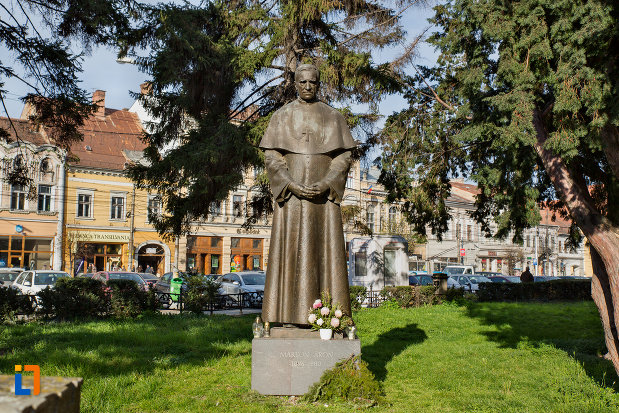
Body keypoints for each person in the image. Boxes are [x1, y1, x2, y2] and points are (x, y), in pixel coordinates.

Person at [259, 63, 355, 325]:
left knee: (326, 252)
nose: (308, 86)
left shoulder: (334, 117)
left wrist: (327, 183)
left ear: (319, 84)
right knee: (289, 253)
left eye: (313, 82)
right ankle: (285, 318)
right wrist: (288, 182)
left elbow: (343, 157)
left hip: (323, 200)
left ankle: (330, 317)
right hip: (291, 199)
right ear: (295, 84)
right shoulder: (281, 116)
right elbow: (272, 155)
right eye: (303, 82)